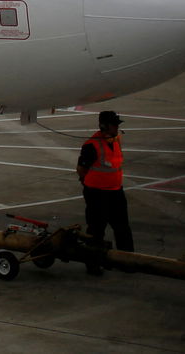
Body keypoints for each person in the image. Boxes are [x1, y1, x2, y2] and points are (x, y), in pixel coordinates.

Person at [77, 110, 134, 270]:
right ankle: (93, 264)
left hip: (115, 191)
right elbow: (81, 169)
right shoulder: (91, 145)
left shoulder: (116, 140)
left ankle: (127, 261)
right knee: (96, 229)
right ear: (104, 126)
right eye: (114, 125)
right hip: (97, 194)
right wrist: (87, 183)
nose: (117, 128)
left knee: (122, 227)